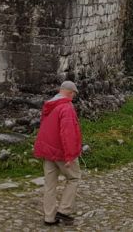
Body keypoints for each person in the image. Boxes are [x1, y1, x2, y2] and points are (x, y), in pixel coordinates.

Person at [34, 81, 83, 226]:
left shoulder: (50, 105)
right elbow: (68, 133)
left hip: (48, 150)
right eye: (74, 94)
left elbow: (45, 127)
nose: (73, 97)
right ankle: (64, 210)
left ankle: (49, 217)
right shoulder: (66, 107)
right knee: (74, 178)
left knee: (50, 184)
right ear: (70, 92)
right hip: (61, 152)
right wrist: (70, 155)